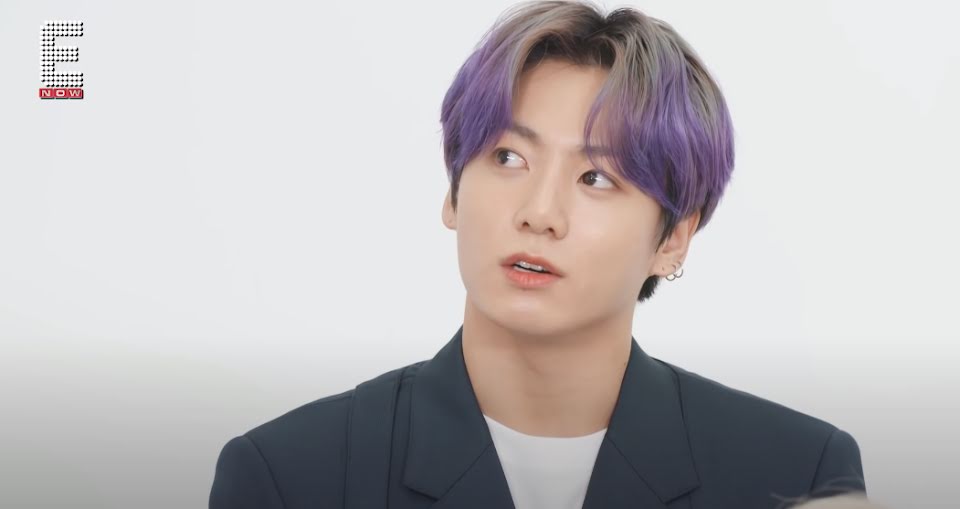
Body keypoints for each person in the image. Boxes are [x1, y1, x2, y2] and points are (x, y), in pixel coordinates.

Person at [209, 1, 866, 508]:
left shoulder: (796, 473)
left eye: (596, 177)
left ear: (672, 239)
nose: (539, 212)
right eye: (508, 157)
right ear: (454, 192)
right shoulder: (289, 474)